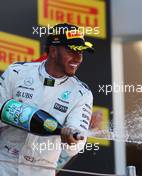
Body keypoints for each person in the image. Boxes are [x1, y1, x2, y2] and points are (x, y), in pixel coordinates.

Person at [0, 23, 94, 176]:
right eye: (72, 51)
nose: (78, 58)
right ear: (53, 51)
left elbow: (75, 146)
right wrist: (15, 114)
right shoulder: (17, 72)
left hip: (41, 171)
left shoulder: (81, 94)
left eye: (81, 53)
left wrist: (71, 139)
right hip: (4, 165)